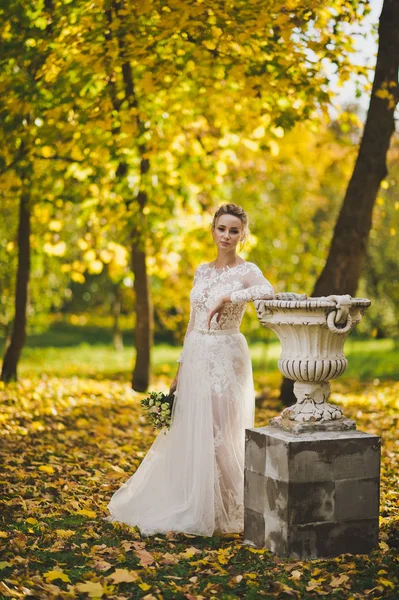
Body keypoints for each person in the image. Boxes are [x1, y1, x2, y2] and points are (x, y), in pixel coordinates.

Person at [107, 203, 274, 536]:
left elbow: (268, 290)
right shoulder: (201, 270)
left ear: (243, 235)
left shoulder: (246, 270)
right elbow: (191, 322)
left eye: (234, 230)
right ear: (212, 230)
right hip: (197, 353)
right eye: (221, 228)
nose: (226, 235)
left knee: (221, 434)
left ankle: (242, 509)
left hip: (226, 354)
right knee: (194, 431)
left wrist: (228, 296)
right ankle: (202, 504)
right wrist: (180, 368)